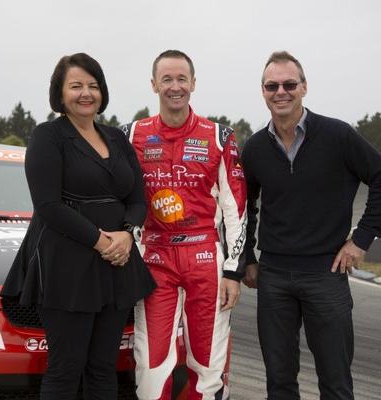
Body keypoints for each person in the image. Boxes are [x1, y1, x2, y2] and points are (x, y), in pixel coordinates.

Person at [241, 51, 381, 400]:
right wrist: (247, 259)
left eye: (289, 84)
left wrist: (360, 240)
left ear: (304, 87)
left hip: (325, 274)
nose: (280, 91)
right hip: (273, 278)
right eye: (272, 85)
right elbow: (243, 208)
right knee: (279, 381)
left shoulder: (338, 136)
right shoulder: (253, 149)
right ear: (263, 91)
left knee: (335, 381)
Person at [0, 52, 156, 400]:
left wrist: (127, 235)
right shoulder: (47, 137)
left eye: (93, 85)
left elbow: (138, 199)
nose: (86, 93)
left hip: (116, 266)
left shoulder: (116, 138)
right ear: (60, 93)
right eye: (76, 86)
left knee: (104, 368)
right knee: (65, 369)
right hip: (66, 268)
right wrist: (103, 243)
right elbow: (48, 205)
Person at [121, 50, 247, 400]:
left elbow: (236, 210)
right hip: (155, 257)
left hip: (205, 258)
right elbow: (122, 200)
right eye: (166, 79)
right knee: (151, 366)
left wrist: (234, 272)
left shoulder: (220, 136)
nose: (174, 87)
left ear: (192, 83)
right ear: (153, 85)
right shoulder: (132, 135)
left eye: (181, 79)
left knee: (207, 366)